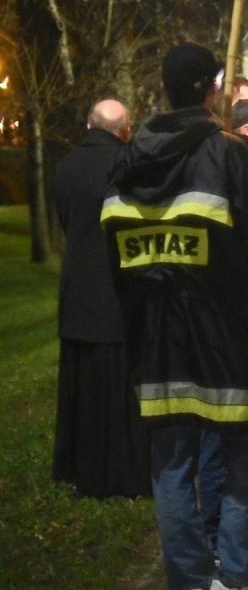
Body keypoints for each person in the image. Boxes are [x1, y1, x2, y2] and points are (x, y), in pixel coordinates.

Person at [101, 42, 248, 590]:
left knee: (173, 462)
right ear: (212, 89)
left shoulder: (128, 162)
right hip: (227, 332)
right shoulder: (229, 154)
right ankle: (233, 577)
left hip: (156, 338)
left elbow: (113, 257)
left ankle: (189, 587)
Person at [54, 98, 148, 498]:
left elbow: (64, 220)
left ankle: (84, 472)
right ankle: (125, 474)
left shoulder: (65, 165)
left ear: (90, 126)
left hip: (77, 291)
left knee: (83, 390)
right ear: (123, 130)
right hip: (118, 287)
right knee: (120, 391)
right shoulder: (127, 164)